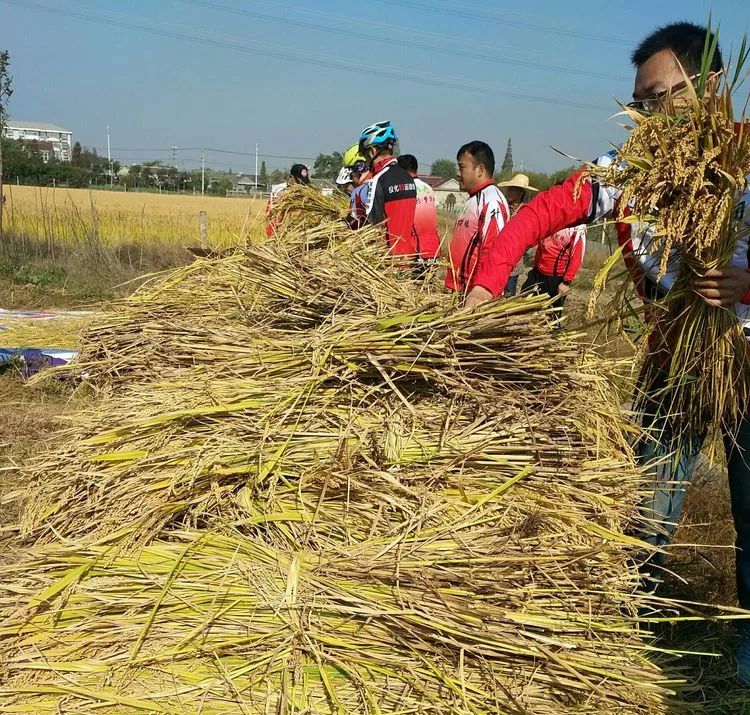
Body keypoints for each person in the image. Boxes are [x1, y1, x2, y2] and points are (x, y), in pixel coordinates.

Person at [464, 22, 750, 683]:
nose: (644, 117)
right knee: (646, 505)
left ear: (710, 88)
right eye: (638, 103)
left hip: (745, 363)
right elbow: (538, 215)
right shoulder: (629, 173)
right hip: (670, 365)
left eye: (658, 99)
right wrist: (483, 287)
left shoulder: (746, 159)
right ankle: (630, 631)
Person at [445, 141, 509, 293]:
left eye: (462, 167)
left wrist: (478, 294)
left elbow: (493, 254)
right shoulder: (473, 198)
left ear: (480, 169)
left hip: (471, 296)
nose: (458, 173)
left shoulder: (491, 201)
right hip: (457, 292)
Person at [357, 121, 423, 267]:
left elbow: (371, 227)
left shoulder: (378, 180)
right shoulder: (408, 178)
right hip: (407, 260)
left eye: (366, 155)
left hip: (387, 264)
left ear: (373, 151)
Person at [521, 223, 586, 308]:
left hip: (556, 278)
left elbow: (576, 257)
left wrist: (566, 282)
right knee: (523, 300)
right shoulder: (552, 218)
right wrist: (536, 265)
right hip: (538, 272)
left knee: (550, 312)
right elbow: (541, 244)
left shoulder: (578, 227)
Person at [496, 174, 539, 296]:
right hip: (497, 256)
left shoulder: (524, 211)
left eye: (513, 190)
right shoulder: (502, 207)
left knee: (509, 292)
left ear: (520, 193)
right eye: (509, 189)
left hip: (514, 260)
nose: (509, 192)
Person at [396, 154, 441, 263]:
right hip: (433, 248)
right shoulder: (428, 188)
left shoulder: (406, 189)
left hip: (417, 249)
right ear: (416, 169)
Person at [265, 163, 311, 237]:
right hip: (279, 223)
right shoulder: (279, 189)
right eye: (299, 181)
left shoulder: (307, 190)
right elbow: (273, 213)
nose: (301, 185)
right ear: (292, 177)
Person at [343, 144, 372, 228]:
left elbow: (354, 222)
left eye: (351, 174)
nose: (351, 179)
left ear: (358, 170)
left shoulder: (358, 192)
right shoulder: (381, 181)